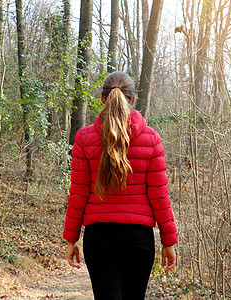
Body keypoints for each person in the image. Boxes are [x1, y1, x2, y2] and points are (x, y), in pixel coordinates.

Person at [62, 71, 178, 299]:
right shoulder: (151, 139)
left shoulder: (84, 139)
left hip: (100, 238)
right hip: (139, 239)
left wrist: (71, 239)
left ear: (102, 99)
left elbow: (78, 194)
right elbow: (159, 196)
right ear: (133, 101)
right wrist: (168, 241)